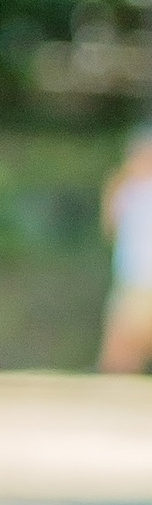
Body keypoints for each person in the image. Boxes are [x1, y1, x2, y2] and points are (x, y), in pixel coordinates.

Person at [100, 128, 152, 374]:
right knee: (122, 351)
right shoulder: (126, 188)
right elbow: (111, 227)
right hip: (133, 278)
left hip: (139, 279)